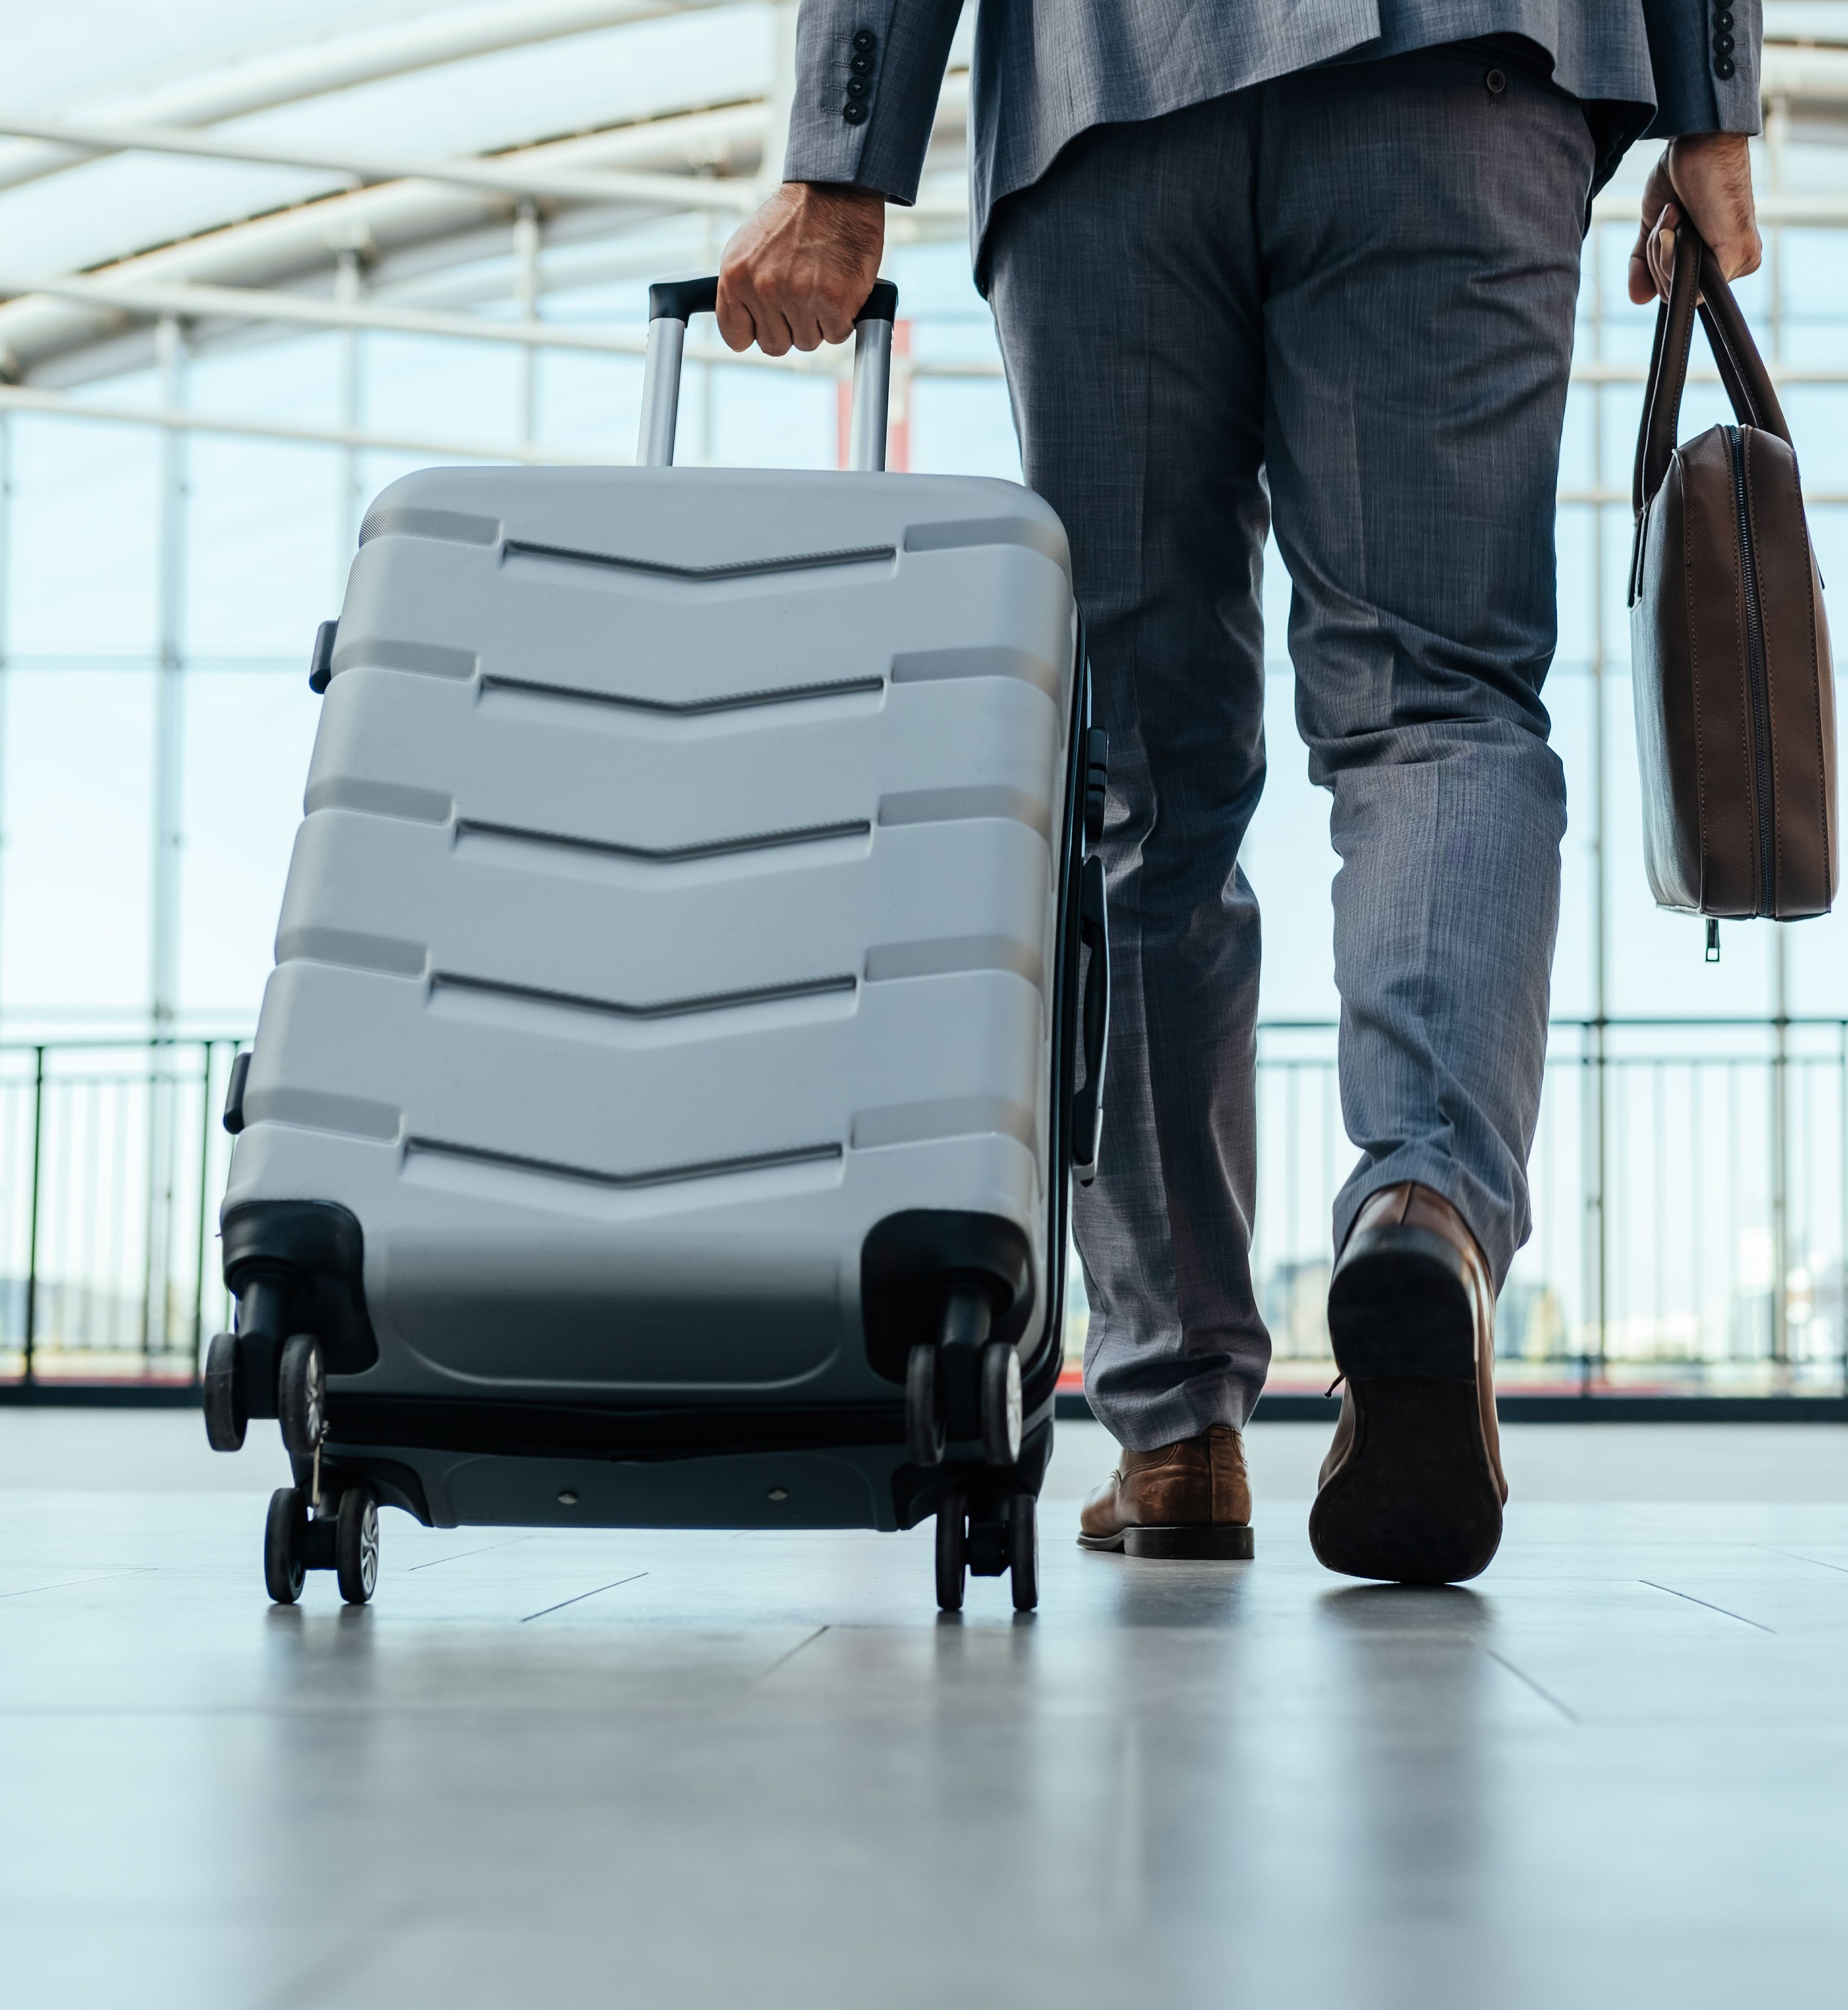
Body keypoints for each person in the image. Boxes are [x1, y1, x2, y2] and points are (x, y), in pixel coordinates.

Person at [720, 2, 1763, 1584]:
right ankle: (1422, 1207)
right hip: (1455, 84)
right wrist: (1713, 107)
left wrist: (840, 155)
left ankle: (1171, 1421)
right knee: (1439, 707)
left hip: (1106, 115)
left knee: (1138, 788)